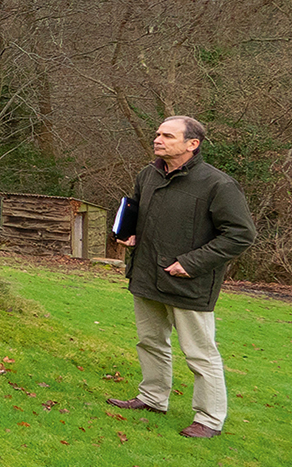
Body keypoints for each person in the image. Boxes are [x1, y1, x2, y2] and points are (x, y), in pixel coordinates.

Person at [106, 115, 256, 438]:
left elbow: (241, 234)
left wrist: (191, 263)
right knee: (150, 342)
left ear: (192, 144)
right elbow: (136, 210)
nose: (158, 139)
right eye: (158, 134)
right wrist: (126, 233)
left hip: (189, 282)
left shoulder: (219, 185)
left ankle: (210, 419)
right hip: (146, 275)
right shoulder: (148, 175)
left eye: (168, 136)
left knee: (200, 354)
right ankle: (152, 398)